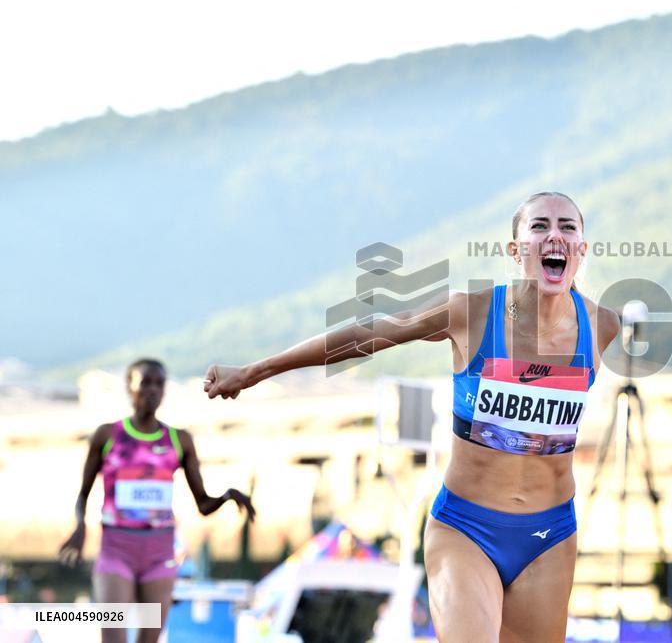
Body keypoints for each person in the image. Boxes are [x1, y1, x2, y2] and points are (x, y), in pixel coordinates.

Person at [203, 191, 622, 642]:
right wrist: (256, 370)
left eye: (567, 227)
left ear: (581, 248)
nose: (554, 235)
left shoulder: (601, 326)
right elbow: (373, 332)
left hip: (549, 536)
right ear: (515, 249)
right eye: (539, 226)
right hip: (468, 530)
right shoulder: (472, 313)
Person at [59, 358, 255, 643]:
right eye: (145, 383)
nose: (152, 390)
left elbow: (202, 504)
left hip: (159, 553)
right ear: (130, 388)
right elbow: (83, 493)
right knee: (113, 637)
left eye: (159, 384)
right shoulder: (107, 435)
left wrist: (226, 496)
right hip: (117, 550)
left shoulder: (179, 440)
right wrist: (80, 526)